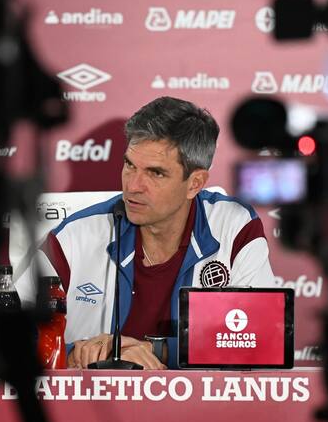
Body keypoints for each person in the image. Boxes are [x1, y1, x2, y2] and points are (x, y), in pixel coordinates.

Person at [15, 96, 275, 369]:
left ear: (194, 183)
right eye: (129, 165)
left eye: (156, 173)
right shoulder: (75, 236)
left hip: (199, 408)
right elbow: (11, 334)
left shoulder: (234, 227)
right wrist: (74, 354)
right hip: (93, 407)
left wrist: (158, 351)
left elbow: (262, 337)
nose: (134, 186)